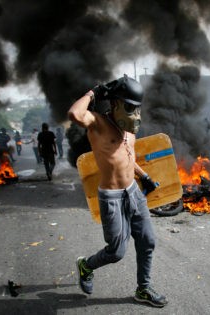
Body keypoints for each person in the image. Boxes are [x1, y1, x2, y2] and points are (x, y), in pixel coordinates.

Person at [68, 75, 167, 308]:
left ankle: (143, 289)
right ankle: (86, 266)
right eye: (130, 107)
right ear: (114, 104)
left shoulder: (129, 130)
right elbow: (74, 114)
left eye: (138, 108)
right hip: (112, 198)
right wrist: (93, 92)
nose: (136, 114)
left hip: (133, 192)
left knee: (148, 241)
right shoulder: (98, 124)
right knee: (116, 252)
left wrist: (145, 177)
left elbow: (126, 158)